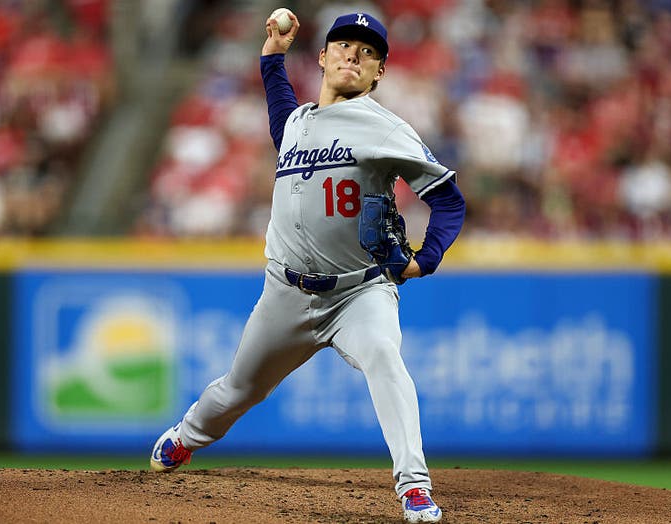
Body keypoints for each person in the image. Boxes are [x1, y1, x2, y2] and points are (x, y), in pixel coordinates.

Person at [150, 10, 465, 523]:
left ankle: (414, 486)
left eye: (368, 52)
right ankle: (186, 436)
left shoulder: (386, 129)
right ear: (322, 57)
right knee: (239, 388)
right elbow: (280, 114)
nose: (353, 55)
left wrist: (424, 260)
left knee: (384, 357)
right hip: (287, 292)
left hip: (359, 293)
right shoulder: (298, 123)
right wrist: (272, 55)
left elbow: (448, 200)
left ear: (379, 72)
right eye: (343, 45)